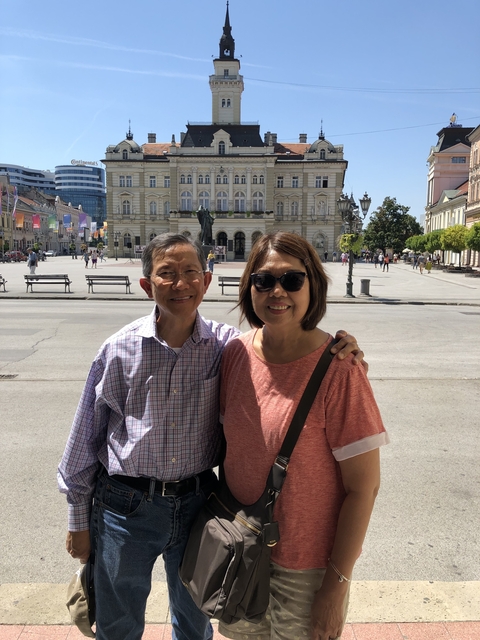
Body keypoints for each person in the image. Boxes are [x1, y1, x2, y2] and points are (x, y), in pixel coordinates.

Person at [57, 233, 366, 640]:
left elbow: (278, 350)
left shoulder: (226, 347)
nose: (180, 284)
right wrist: (78, 521)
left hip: (197, 504)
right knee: (117, 622)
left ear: (206, 281)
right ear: (148, 285)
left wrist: (344, 351)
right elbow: (82, 441)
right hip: (125, 506)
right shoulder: (118, 349)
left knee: (194, 619)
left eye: (190, 272)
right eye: (167, 274)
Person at [218, 232, 389, 640]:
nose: (277, 291)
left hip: (307, 570)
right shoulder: (234, 356)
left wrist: (336, 585)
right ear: (249, 288)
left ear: (313, 285)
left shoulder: (339, 370)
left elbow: (363, 489)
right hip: (239, 555)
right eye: (263, 280)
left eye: (292, 280)